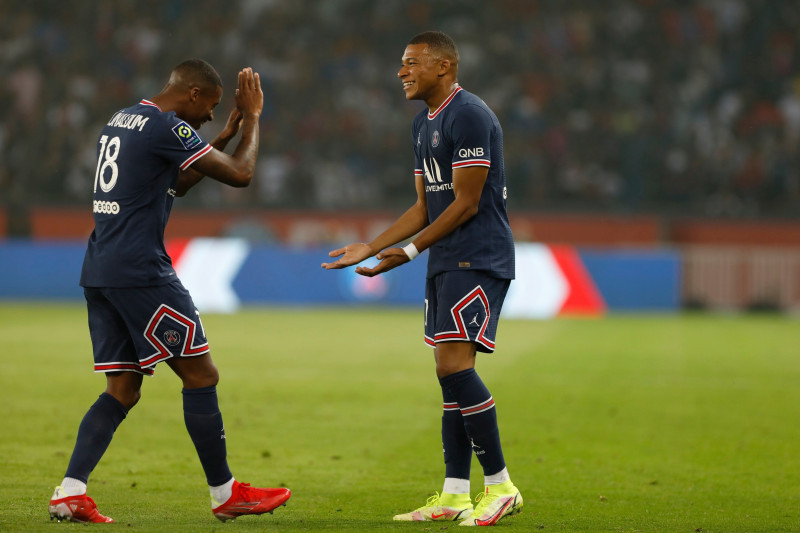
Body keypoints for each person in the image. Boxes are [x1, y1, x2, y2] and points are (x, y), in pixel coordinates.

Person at [48, 59, 290, 524]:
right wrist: (253, 117)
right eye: (211, 108)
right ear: (193, 94)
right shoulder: (165, 126)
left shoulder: (122, 120)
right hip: (142, 273)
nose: (207, 118)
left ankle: (70, 491)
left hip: (100, 269)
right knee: (202, 375)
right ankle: (225, 494)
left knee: (123, 388)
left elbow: (171, 184)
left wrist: (218, 138)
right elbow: (241, 175)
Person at [322, 31, 522, 526]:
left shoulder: (470, 114)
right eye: (401, 63)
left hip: (477, 257)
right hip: (445, 259)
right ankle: (455, 494)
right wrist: (372, 244)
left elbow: (467, 202)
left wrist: (408, 252)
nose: (401, 71)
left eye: (411, 62)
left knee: (455, 369)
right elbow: (423, 205)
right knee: (448, 374)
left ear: (444, 66)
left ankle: (500, 486)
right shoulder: (421, 124)